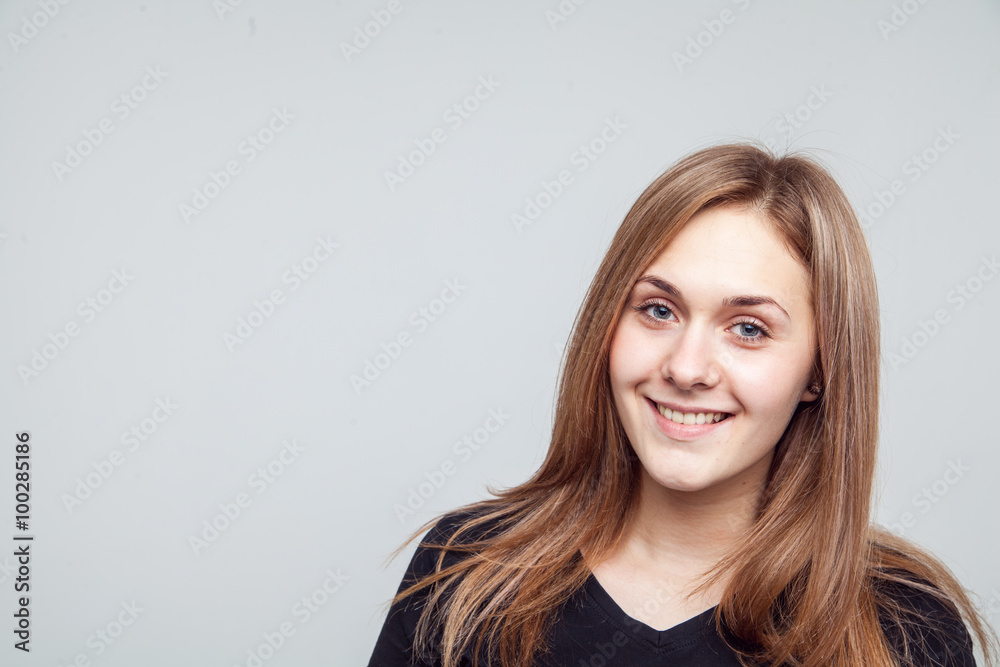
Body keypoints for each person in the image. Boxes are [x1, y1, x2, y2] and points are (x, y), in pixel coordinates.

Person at [367, 142, 999, 667]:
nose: (686, 368)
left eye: (748, 328)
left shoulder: (904, 631)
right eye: (658, 310)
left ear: (820, 370)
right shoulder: (469, 570)